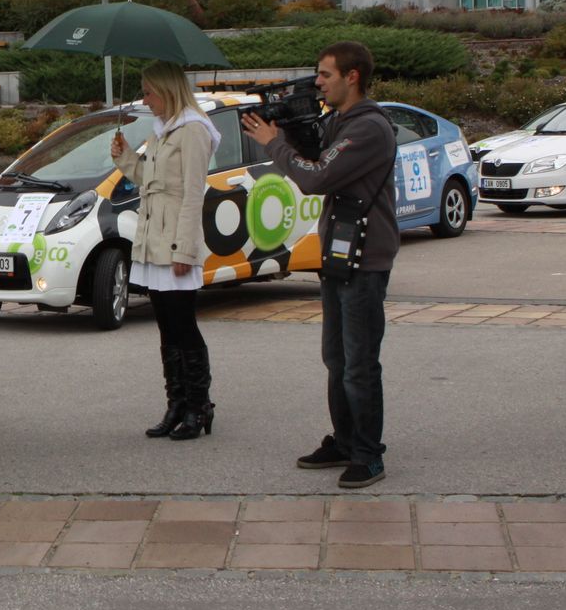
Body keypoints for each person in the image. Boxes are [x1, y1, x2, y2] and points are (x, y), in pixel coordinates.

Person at [243, 41, 399, 489]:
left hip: (366, 257)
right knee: (336, 356)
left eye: (325, 75)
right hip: (340, 251)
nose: (317, 82)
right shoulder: (339, 121)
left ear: (353, 77)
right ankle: (346, 440)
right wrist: (290, 128)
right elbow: (313, 159)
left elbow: (315, 178)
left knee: (360, 361)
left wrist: (275, 144)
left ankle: (369, 454)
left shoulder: (368, 128)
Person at [112, 62, 222, 441]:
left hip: (175, 241)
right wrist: (127, 158)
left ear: (167, 90)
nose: (145, 99)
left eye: (148, 92)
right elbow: (151, 181)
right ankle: (177, 404)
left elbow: (193, 193)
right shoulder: (162, 130)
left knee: (183, 326)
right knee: (166, 329)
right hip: (152, 238)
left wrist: (185, 250)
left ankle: (199, 405)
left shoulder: (192, 130)